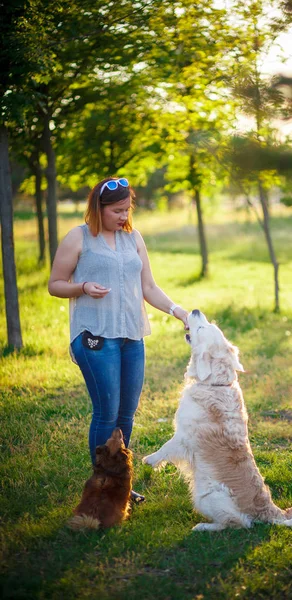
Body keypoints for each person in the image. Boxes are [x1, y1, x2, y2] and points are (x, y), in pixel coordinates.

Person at [48, 177, 188, 503]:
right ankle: (103, 487)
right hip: (95, 336)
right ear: (99, 209)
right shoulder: (79, 238)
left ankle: (118, 483)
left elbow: (149, 287)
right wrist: (82, 288)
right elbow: (55, 284)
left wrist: (177, 310)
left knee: (127, 414)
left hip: (131, 336)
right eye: (116, 211)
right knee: (107, 412)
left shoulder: (133, 238)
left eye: (127, 209)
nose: (124, 216)